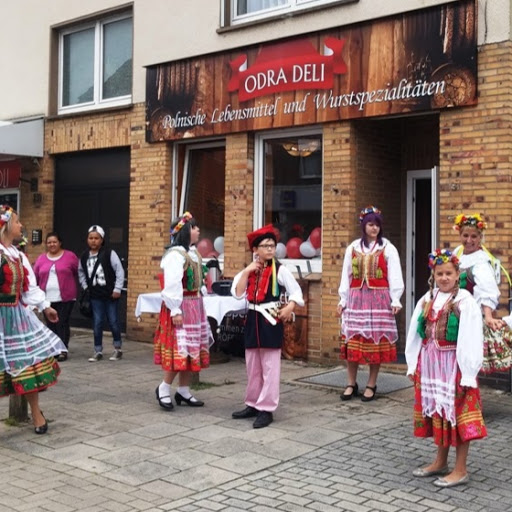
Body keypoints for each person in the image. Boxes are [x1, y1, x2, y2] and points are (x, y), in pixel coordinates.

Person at [405, 249, 487, 488]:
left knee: (458, 415)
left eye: (448, 273)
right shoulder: (427, 298)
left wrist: (469, 373)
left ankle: (460, 469)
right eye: (439, 273)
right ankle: (440, 461)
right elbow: (414, 332)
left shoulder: (465, 301)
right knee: (439, 413)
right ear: (433, 275)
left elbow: (471, 337)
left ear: (457, 274)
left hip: (455, 367)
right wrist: (413, 363)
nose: (444, 278)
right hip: (431, 366)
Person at [0, 205, 66, 434]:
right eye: (17, 222)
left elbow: (29, 288)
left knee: (28, 363)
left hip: (16, 317)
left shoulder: (18, 255)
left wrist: (45, 307)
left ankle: (36, 413)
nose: (21, 226)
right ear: (7, 226)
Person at [231, 224, 304, 429]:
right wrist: (247, 271)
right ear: (255, 249)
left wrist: (290, 306)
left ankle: (267, 408)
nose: (270, 249)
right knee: (253, 366)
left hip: (270, 320)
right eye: (265, 246)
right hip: (253, 319)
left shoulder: (280, 270)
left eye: (272, 245)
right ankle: (253, 403)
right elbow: (237, 292)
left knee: (270, 367)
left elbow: (296, 292)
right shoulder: (250, 270)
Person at [337, 206, 404, 401]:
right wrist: (343, 299)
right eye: (370, 224)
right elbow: (346, 275)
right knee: (354, 341)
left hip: (379, 300)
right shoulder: (353, 248)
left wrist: (396, 298)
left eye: (377, 225)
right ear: (364, 226)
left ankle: (371, 384)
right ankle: (351, 383)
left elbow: (394, 275)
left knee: (376, 342)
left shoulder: (388, 248)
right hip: (356, 299)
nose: (374, 228)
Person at [153, 212, 212, 410]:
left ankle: (184, 390)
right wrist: (175, 309)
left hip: (194, 305)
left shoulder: (193, 253)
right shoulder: (175, 255)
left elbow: (197, 278)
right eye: (194, 227)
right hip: (181, 306)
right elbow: (171, 284)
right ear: (186, 231)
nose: (198, 230)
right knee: (181, 348)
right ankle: (163, 388)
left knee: (191, 349)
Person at [452, 213, 512, 373]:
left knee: (466, 360)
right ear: (459, 234)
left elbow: (487, 290)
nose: (469, 240)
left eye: (474, 236)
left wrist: (488, 316)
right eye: (465, 235)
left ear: (480, 238)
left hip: (468, 317)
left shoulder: (481, 260)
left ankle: (467, 394)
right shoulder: (457, 253)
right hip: (452, 313)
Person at [78, 225, 125, 362]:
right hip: (95, 295)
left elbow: (119, 271)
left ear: (102, 240)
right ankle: (97, 350)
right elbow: (80, 272)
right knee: (97, 322)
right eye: (91, 238)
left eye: (96, 238)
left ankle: (117, 348)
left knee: (113, 321)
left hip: (110, 294)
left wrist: (117, 289)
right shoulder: (84, 256)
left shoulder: (110, 253)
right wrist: (85, 286)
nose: (93, 241)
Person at [33, 232, 79, 361]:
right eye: (49, 242)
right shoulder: (41, 258)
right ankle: (53, 348)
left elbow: (77, 271)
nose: (52, 244)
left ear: (60, 243)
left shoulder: (70, 256)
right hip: (47, 298)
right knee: (51, 324)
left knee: (62, 322)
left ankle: (63, 349)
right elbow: (35, 276)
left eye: (54, 242)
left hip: (66, 297)